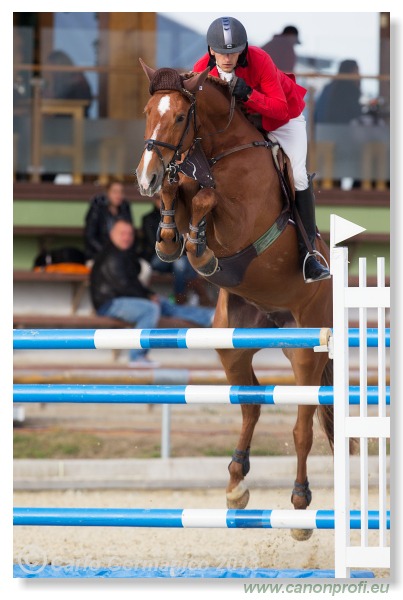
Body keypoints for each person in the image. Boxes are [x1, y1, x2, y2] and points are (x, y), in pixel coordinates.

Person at [193, 16, 330, 283]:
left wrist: (249, 94)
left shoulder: (260, 59)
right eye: (221, 52)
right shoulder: (201, 69)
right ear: (211, 50)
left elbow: (279, 108)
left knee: (299, 176)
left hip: (283, 120)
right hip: (242, 125)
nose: (227, 58)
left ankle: (309, 256)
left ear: (243, 49)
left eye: (233, 52)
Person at [90, 219, 216, 366]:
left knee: (162, 303)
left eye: (130, 234)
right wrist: (148, 296)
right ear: (112, 234)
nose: (127, 237)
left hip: (123, 299)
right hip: (109, 304)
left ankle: (208, 316)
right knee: (150, 309)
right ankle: (136, 357)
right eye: (122, 234)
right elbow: (123, 286)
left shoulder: (123, 253)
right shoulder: (111, 255)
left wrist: (150, 295)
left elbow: (131, 283)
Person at [141, 196, 211, 305]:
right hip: (157, 257)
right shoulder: (148, 219)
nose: (164, 204)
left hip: (178, 257)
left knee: (180, 263)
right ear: (155, 201)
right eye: (160, 200)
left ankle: (180, 298)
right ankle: (196, 293)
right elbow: (154, 244)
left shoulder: (177, 218)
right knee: (183, 262)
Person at [84, 179, 134, 261]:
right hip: (99, 254)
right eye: (115, 192)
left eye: (121, 192)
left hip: (122, 255)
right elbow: (90, 237)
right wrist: (107, 253)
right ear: (107, 193)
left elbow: (130, 234)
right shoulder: (97, 208)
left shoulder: (125, 209)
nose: (119, 195)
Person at [42, 49, 92, 117]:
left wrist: (55, 98)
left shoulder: (77, 78)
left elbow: (81, 103)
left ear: (59, 64)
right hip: (63, 118)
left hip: (75, 118)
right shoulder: (59, 79)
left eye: (52, 66)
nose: (51, 70)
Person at [315, 59, 362, 124]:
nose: (359, 75)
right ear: (350, 72)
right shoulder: (350, 89)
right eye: (356, 71)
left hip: (322, 128)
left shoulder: (330, 87)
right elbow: (356, 113)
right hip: (339, 129)